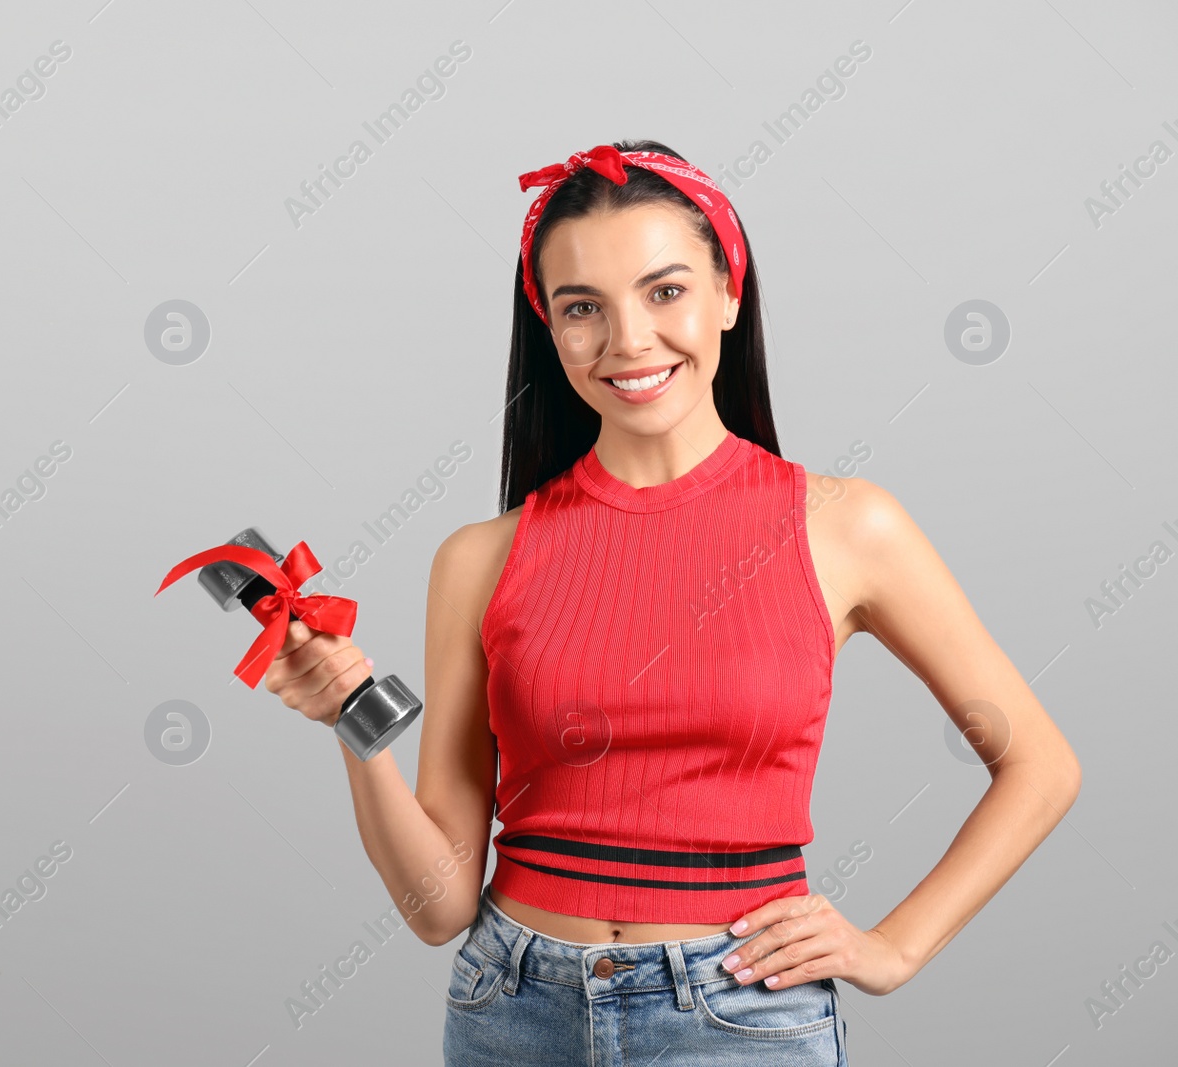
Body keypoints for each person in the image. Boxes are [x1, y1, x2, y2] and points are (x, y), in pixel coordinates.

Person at [261, 139, 1081, 1065]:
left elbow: (1040, 766)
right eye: (583, 309)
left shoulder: (846, 527)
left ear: (730, 292)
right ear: (549, 328)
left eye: (665, 290)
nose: (629, 340)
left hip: (738, 1013)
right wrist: (354, 725)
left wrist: (891, 947)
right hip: (511, 1008)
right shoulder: (478, 560)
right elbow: (441, 907)